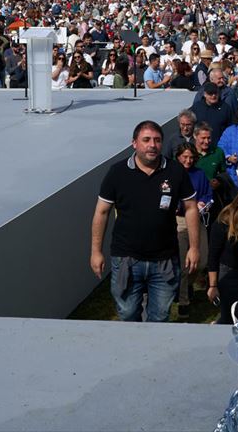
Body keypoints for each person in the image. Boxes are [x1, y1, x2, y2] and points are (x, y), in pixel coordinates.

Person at [89, 120, 200, 323]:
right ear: (134, 143)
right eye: (146, 140)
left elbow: (191, 208)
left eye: (157, 140)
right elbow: (101, 212)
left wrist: (194, 247)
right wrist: (96, 252)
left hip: (165, 260)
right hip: (126, 260)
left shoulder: (175, 172)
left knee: (160, 318)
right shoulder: (117, 173)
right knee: (128, 314)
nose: (152, 145)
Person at [172, 142, 211, 317]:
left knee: (201, 260)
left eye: (191, 157)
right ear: (178, 157)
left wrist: (203, 203)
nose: (188, 161)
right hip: (179, 221)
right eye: (184, 157)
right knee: (182, 262)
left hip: (198, 219)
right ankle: (183, 301)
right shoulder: (172, 174)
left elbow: (207, 194)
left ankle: (187, 284)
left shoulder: (199, 174)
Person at [207, 187, 238, 324]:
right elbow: (213, 256)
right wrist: (213, 285)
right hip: (229, 273)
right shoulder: (222, 223)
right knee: (229, 316)